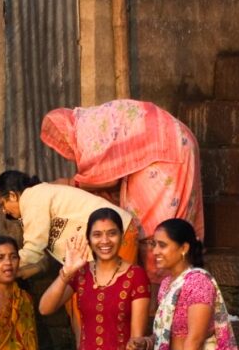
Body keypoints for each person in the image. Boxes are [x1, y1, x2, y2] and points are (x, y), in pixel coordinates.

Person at [40, 99, 203, 280]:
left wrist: (70, 183)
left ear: (66, 130)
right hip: (179, 142)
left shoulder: (86, 130)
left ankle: (158, 295)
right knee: (173, 225)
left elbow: (105, 179)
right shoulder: (94, 117)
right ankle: (171, 286)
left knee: (150, 230)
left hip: (161, 154)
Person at [0, 171, 139, 345]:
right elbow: (40, 259)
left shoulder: (32, 197)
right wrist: (19, 271)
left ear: (13, 195)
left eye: (2, 204)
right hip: (87, 255)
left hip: (116, 235)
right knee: (74, 300)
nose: (3, 211)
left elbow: (33, 250)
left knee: (116, 297)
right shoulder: (37, 199)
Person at [129, 219, 239, 350]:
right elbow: (168, 334)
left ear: (184, 248)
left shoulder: (198, 282)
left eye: (162, 245)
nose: (155, 251)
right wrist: (146, 342)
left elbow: (196, 338)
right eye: (154, 245)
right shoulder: (166, 285)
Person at [39, 208, 150, 350]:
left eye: (112, 234)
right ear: (89, 239)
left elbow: (136, 341)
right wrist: (66, 274)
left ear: (122, 237)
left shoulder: (136, 276)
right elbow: (45, 308)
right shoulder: (80, 273)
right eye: (97, 235)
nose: (105, 241)